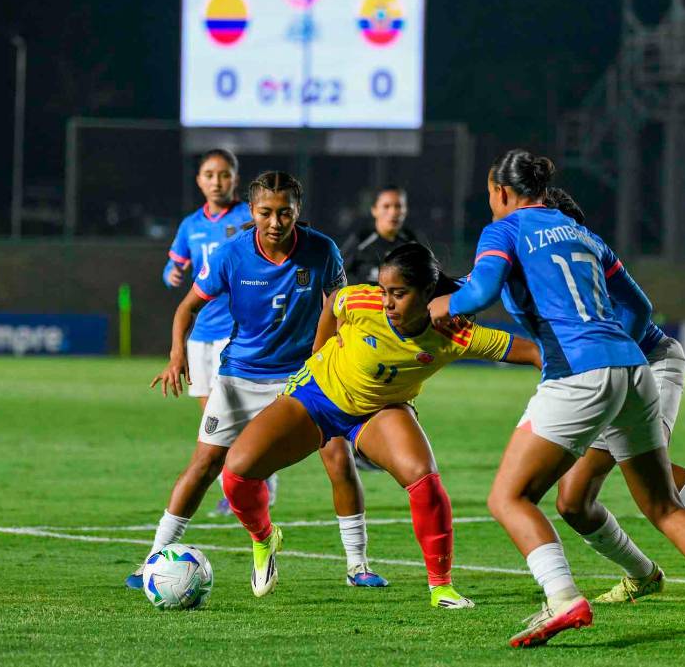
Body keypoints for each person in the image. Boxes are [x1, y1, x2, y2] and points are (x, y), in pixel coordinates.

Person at [428, 150, 685, 647]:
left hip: (579, 374)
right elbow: (641, 306)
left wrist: (446, 304)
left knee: (509, 497)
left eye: (489, 193)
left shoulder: (503, 229)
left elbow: (480, 293)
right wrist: (609, 347)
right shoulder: (583, 233)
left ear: (500, 191)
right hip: (632, 366)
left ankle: (563, 598)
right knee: (662, 505)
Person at [211, 243, 543, 607]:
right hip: (317, 397)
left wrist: (571, 373)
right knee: (238, 472)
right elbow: (334, 302)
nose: (387, 302)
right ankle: (264, 538)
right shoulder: (362, 302)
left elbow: (530, 352)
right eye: (384, 291)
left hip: (381, 410)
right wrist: (318, 353)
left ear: (428, 293)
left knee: (423, 478)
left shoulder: (453, 332)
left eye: (399, 294)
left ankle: (441, 588)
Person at [129, 170, 388, 590]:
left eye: (284, 212)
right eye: (266, 212)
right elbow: (187, 307)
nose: (275, 222)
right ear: (251, 211)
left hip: (305, 378)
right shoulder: (231, 254)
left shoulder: (322, 251)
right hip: (240, 376)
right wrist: (178, 353)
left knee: (339, 460)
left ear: (297, 211)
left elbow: (342, 307)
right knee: (205, 464)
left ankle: (358, 565)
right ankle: (153, 560)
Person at [542, 186, 685, 602]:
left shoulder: (588, 263)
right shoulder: (551, 273)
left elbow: (636, 313)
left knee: (652, 470)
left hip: (651, 364)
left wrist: (609, 363)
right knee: (573, 501)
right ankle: (643, 574)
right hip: (608, 377)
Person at [160, 149, 275, 515]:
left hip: (236, 330)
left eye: (223, 174)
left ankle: (244, 484)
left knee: (224, 418)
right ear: (199, 180)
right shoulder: (190, 225)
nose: (216, 181)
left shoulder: (248, 217)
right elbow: (172, 267)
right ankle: (254, 476)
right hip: (200, 334)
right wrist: (172, 274)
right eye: (209, 174)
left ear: (235, 179)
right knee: (212, 415)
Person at [341, 185, 421, 285]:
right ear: (374, 210)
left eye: (398, 206)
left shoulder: (411, 241)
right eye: (386, 206)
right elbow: (335, 278)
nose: (393, 212)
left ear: (406, 210)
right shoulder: (361, 240)